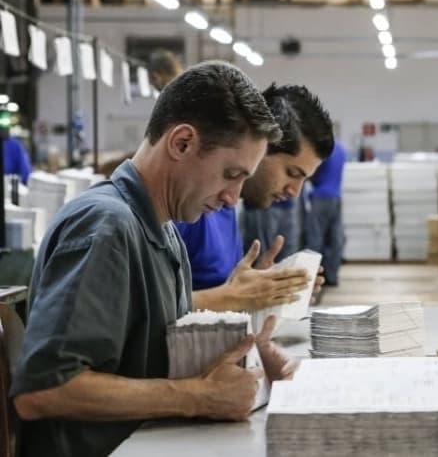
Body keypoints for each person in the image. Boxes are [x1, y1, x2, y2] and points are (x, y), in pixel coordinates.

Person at [10, 61, 297, 457]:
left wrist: (250, 359)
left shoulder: (164, 231)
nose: (234, 196)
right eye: (231, 174)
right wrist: (197, 397)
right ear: (181, 143)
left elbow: (156, 361)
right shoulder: (106, 227)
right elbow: (43, 390)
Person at [177, 84, 335, 312]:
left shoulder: (228, 207)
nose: (295, 192)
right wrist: (235, 297)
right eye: (291, 173)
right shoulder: (189, 207)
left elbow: (221, 291)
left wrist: (261, 286)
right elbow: (146, 311)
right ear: (260, 148)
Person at [304, 141, 346, 288]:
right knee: (335, 239)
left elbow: (312, 172)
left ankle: (312, 277)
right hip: (336, 197)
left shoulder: (323, 148)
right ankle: (332, 276)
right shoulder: (341, 150)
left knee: (315, 237)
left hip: (320, 196)